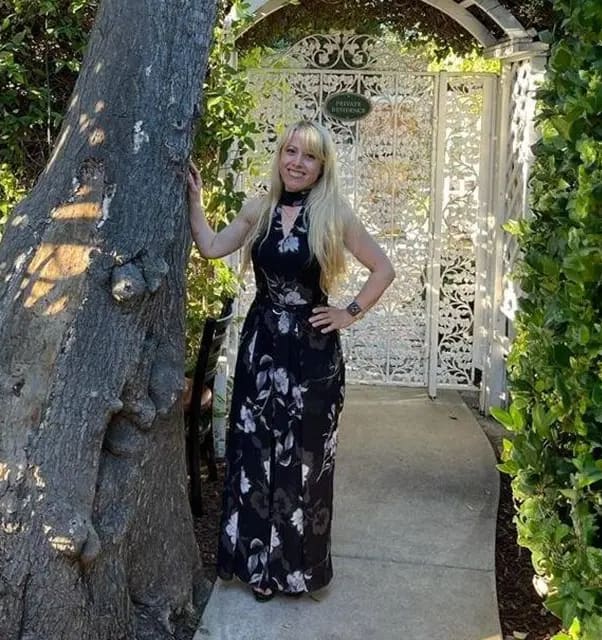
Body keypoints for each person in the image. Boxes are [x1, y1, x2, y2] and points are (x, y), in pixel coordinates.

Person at [187, 120, 395, 601]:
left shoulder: (333, 214)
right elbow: (212, 247)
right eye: (291, 152)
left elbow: (383, 268)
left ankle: (296, 572)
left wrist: (349, 313)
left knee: (306, 460)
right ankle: (259, 570)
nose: (297, 162)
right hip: (261, 351)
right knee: (255, 455)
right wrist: (196, 204)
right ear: (280, 157)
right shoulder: (258, 210)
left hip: (312, 353)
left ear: (322, 167)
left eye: (309, 156)